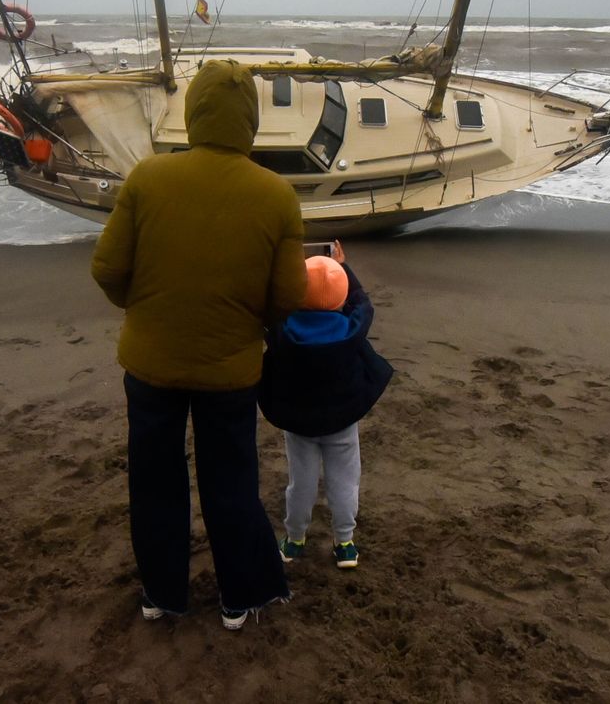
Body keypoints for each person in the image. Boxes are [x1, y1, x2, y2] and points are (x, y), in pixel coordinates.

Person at [91, 59, 308, 631]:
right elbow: (288, 295)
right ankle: (239, 599)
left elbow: (108, 269)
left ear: (192, 113)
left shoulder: (147, 177)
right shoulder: (276, 195)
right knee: (229, 480)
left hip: (150, 365)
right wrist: (250, 326)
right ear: (250, 120)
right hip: (231, 371)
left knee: (154, 480)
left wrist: (145, 313)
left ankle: (162, 595)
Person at [258, 243, 393, 571]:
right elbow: (363, 303)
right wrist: (342, 267)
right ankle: (345, 543)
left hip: (300, 423)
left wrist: (282, 272)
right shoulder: (351, 328)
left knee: (301, 482)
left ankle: (294, 540)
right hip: (342, 421)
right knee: (345, 480)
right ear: (341, 297)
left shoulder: (283, 331)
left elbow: (268, 307)